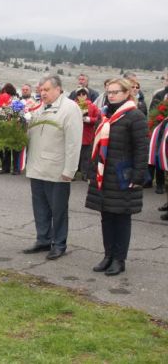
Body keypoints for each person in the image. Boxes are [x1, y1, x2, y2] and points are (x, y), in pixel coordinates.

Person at [85, 78, 148, 276]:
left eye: (115, 92)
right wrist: (90, 169)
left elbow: (141, 149)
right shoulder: (104, 114)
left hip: (123, 175)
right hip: (104, 174)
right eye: (109, 91)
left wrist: (138, 176)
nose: (111, 95)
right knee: (106, 216)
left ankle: (119, 259)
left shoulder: (135, 116)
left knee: (121, 218)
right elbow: (95, 145)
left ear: (127, 93)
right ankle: (108, 255)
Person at [24, 75, 83, 260]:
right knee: (40, 208)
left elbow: (74, 143)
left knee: (58, 210)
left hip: (56, 169)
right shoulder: (40, 108)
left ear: (58, 89)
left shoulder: (70, 109)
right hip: (36, 167)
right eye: (41, 90)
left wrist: (70, 170)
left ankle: (59, 243)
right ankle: (43, 239)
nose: (43, 93)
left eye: (46, 90)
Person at [75, 88, 100, 180]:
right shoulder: (73, 105)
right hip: (75, 134)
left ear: (87, 95)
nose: (81, 96)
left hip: (87, 134)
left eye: (83, 94)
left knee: (86, 156)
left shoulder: (92, 106)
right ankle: (73, 173)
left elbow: (98, 118)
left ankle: (84, 174)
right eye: (79, 94)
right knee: (75, 155)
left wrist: (89, 119)